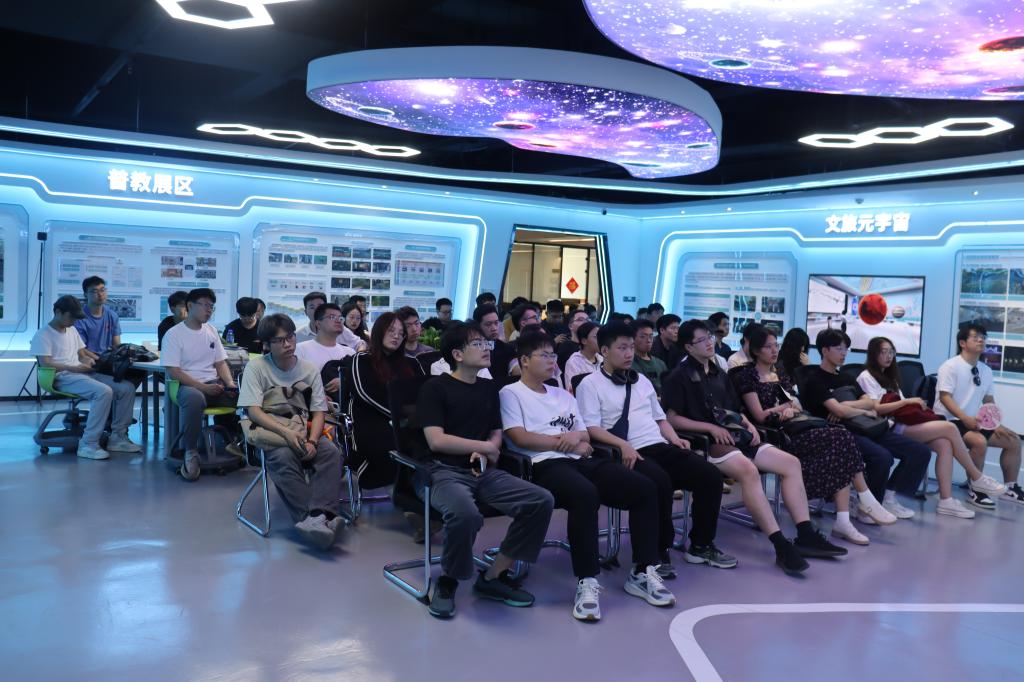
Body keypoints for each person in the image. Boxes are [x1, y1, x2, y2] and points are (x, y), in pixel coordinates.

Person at [500, 330, 664, 621]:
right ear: (524, 360)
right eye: (544, 355)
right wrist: (562, 442)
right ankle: (587, 580)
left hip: (581, 459)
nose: (552, 361)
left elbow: (585, 434)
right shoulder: (510, 393)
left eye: (553, 355)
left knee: (644, 487)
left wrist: (575, 441)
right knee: (585, 494)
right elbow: (519, 437)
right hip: (543, 465)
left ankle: (642, 570)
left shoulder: (562, 394)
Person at [664, 320, 845, 572]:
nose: (709, 342)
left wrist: (748, 423)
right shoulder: (679, 376)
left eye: (710, 337)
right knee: (749, 471)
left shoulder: (718, 373)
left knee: (791, 464)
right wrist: (710, 428)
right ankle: (780, 544)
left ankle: (805, 534)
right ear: (688, 347)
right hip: (707, 443)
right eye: (702, 340)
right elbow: (672, 418)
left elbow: (734, 409)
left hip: (735, 435)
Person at [416, 322, 554, 619]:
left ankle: (494, 576)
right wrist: (484, 447)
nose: (486, 348)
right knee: (465, 513)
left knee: (540, 500)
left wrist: (489, 447)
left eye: (486, 343)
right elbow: (436, 440)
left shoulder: (489, 388)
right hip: (441, 471)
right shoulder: (435, 387)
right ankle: (449, 580)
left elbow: (495, 432)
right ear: (457, 354)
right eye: (477, 344)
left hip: (482, 471)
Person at [576, 321, 734, 581]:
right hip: (624, 452)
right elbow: (591, 428)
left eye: (631, 347)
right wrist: (623, 445)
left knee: (710, 476)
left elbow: (660, 419)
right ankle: (657, 553)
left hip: (658, 445)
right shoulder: (590, 384)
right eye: (622, 348)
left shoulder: (641, 381)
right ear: (604, 350)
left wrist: (674, 439)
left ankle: (701, 545)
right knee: (659, 481)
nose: (629, 353)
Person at [731, 325, 888, 547]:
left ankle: (847, 517)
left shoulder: (779, 374)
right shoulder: (747, 376)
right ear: (756, 350)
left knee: (842, 439)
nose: (774, 350)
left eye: (776, 345)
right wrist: (784, 408)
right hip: (775, 435)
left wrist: (790, 408)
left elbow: (796, 405)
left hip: (795, 426)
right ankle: (863, 501)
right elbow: (759, 415)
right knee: (841, 439)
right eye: (768, 347)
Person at [858, 335, 1005, 518]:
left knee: (944, 444)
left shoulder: (890, 377)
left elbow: (899, 405)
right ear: (873, 354)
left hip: (903, 423)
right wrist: (908, 402)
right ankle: (977, 477)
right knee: (950, 428)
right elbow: (876, 408)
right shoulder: (866, 377)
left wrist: (912, 404)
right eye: (883, 352)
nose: (888, 356)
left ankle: (946, 500)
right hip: (887, 427)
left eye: (891, 352)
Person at [802, 329, 931, 527]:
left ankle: (889, 496)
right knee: (882, 457)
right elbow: (841, 412)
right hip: (840, 432)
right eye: (839, 349)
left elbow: (870, 403)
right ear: (825, 350)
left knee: (920, 451)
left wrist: (847, 406)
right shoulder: (814, 379)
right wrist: (854, 409)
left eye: (846, 349)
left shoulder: (846, 377)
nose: (844, 353)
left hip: (868, 426)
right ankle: (868, 507)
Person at [237, 314, 344, 550]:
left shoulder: (308, 369)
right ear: (267, 344)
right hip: (272, 432)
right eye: (279, 340)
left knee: (330, 452)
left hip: (302, 431)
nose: (288, 344)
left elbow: (318, 412)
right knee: (283, 456)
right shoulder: (257, 367)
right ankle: (312, 518)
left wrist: (313, 441)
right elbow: (253, 411)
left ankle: (320, 516)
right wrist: (285, 434)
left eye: (291, 337)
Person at [31, 295, 141, 460]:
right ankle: (88, 444)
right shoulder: (43, 334)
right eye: (71, 317)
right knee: (103, 392)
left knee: (126, 388)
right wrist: (75, 368)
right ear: (58, 312)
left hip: (81, 373)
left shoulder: (71, 330)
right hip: (62, 377)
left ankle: (118, 437)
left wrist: (88, 360)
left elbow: (81, 354)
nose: (74, 321)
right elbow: (45, 363)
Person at [935, 323, 1024, 508]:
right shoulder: (950, 366)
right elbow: (945, 397)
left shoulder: (986, 370)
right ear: (962, 343)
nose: (981, 340)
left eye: (983, 337)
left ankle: (1010, 488)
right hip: (949, 421)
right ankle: (976, 489)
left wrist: (996, 424)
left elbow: (988, 400)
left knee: (1013, 440)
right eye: (975, 337)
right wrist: (965, 418)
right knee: (979, 441)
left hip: (973, 421)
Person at [161, 288, 240, 481]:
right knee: (195, 398)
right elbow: (174, 371)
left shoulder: (211, 331)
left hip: (213, 384)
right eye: (205, 305)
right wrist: (203, 387)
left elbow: (220, 362)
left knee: (246, 396)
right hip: (186, 387)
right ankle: (191, 451)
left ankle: (241, 444)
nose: (209, 310)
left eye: (212, 306)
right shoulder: (173, 334)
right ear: (190, 305)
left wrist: (230, 384)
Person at [349, 312, 424, 489]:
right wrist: (399, 416)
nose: (396, 336)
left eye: (401, 333)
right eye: (391, 331)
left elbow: (423, 393)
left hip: (409, 421)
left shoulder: (412, 363)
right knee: (394, 444)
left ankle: (424, 493)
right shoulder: (362, 359)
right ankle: (405, 492)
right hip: (372, 421)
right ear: (379, 332)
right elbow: (364, 394)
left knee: (429, 442)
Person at [295, 302, 356, 402]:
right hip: (312, 405)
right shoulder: (300, 349)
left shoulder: (350, 352)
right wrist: (316, 396)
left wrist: (345, 381)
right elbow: (294, 381)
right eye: (332, 317)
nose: (338, 321)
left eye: (341, 318)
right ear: (318, 323)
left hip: (346, 407)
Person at [295, 291, 364, 350]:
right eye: (312, 307)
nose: (316, 310)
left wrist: (359, 356)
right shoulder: (298, 334)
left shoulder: (339, 328)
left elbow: (360, 344)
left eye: (320, 306)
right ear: (306, 312)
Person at [75, 276, 121, 358]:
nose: (100, 294)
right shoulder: (79, 318)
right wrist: (99, 359)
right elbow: (80, 348)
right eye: (95, 291)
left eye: (102, 290)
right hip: (87, 360)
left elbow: (116, 345)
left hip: (108, 359)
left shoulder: (112, 315)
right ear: (85, 295)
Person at [632, 319, 669, 395]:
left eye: (651, 336)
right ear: (632, 338)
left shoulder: (660, 363)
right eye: (643, 337)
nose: (648, 340)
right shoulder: (628, 363)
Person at [564, 321, 601, 393]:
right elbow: (573, 391)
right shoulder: (574, 362)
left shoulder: (602, 359)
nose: (601, 340)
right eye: (596, 337)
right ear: (584, 341)